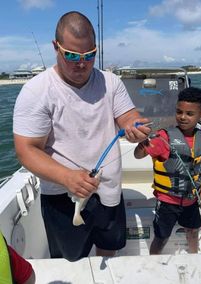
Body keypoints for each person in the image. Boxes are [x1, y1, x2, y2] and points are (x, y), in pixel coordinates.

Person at [13, 11, 151, 261]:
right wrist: (67, 177)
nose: (81, 63)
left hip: (108, 191)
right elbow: (26, 149)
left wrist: (135, 128)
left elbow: (128, 118)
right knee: (71, 259)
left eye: (89, 56)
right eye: (72, 55)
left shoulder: (111, 82)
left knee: (109, 252)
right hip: (62, 195)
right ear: (56, 47)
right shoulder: (36, 91)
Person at [134, 87, 201, 254]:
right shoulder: (164, 138)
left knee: (193, 231)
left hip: (191, 200)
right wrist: (142, 143)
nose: (183, 117)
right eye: (179, 111)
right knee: (162, 237)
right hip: (167, 202)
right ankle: (154, 260)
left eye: (190, 114)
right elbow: (138, 155)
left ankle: (194, 257)